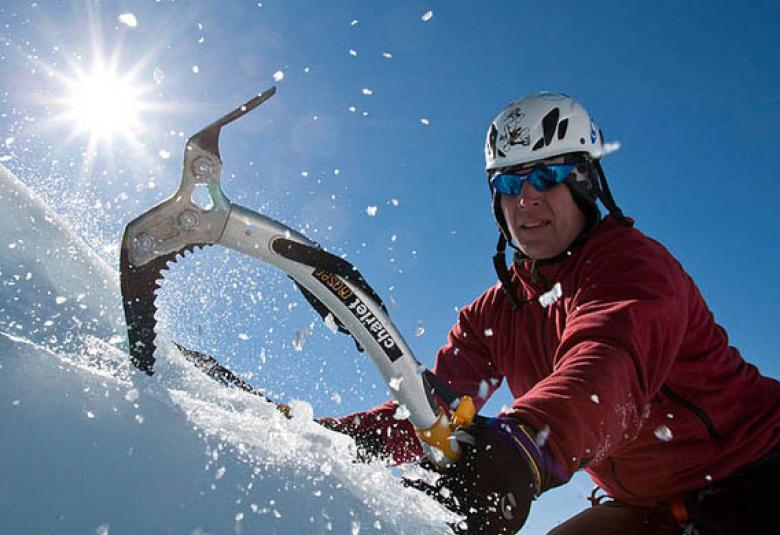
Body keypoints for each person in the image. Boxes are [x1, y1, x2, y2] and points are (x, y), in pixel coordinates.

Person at [319, 92, 780, 534]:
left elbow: (607, 364)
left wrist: (523, 444)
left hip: (752, 472)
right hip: (646, 507)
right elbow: (436, 409)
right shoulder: (495, 314)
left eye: (545, 177)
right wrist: (324, 440)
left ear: (584, 183)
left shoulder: (633, 267)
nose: (526, 199)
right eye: (508, 183)